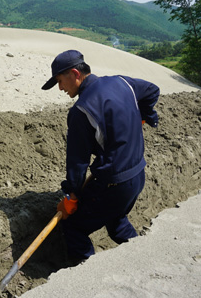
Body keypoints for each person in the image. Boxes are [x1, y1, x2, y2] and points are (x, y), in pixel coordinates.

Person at [42, 49, 159, 264]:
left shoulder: (81, 111)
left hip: (114, 185)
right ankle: (144, 261)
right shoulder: (122, 82)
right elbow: (152, 91)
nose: (60, 88)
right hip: (138, 175)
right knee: (116, 221)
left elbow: (77, 162)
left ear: (75, 74)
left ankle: (88, 278)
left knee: (74, 226)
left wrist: (72, 196)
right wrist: (146, 116)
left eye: (60, 81)